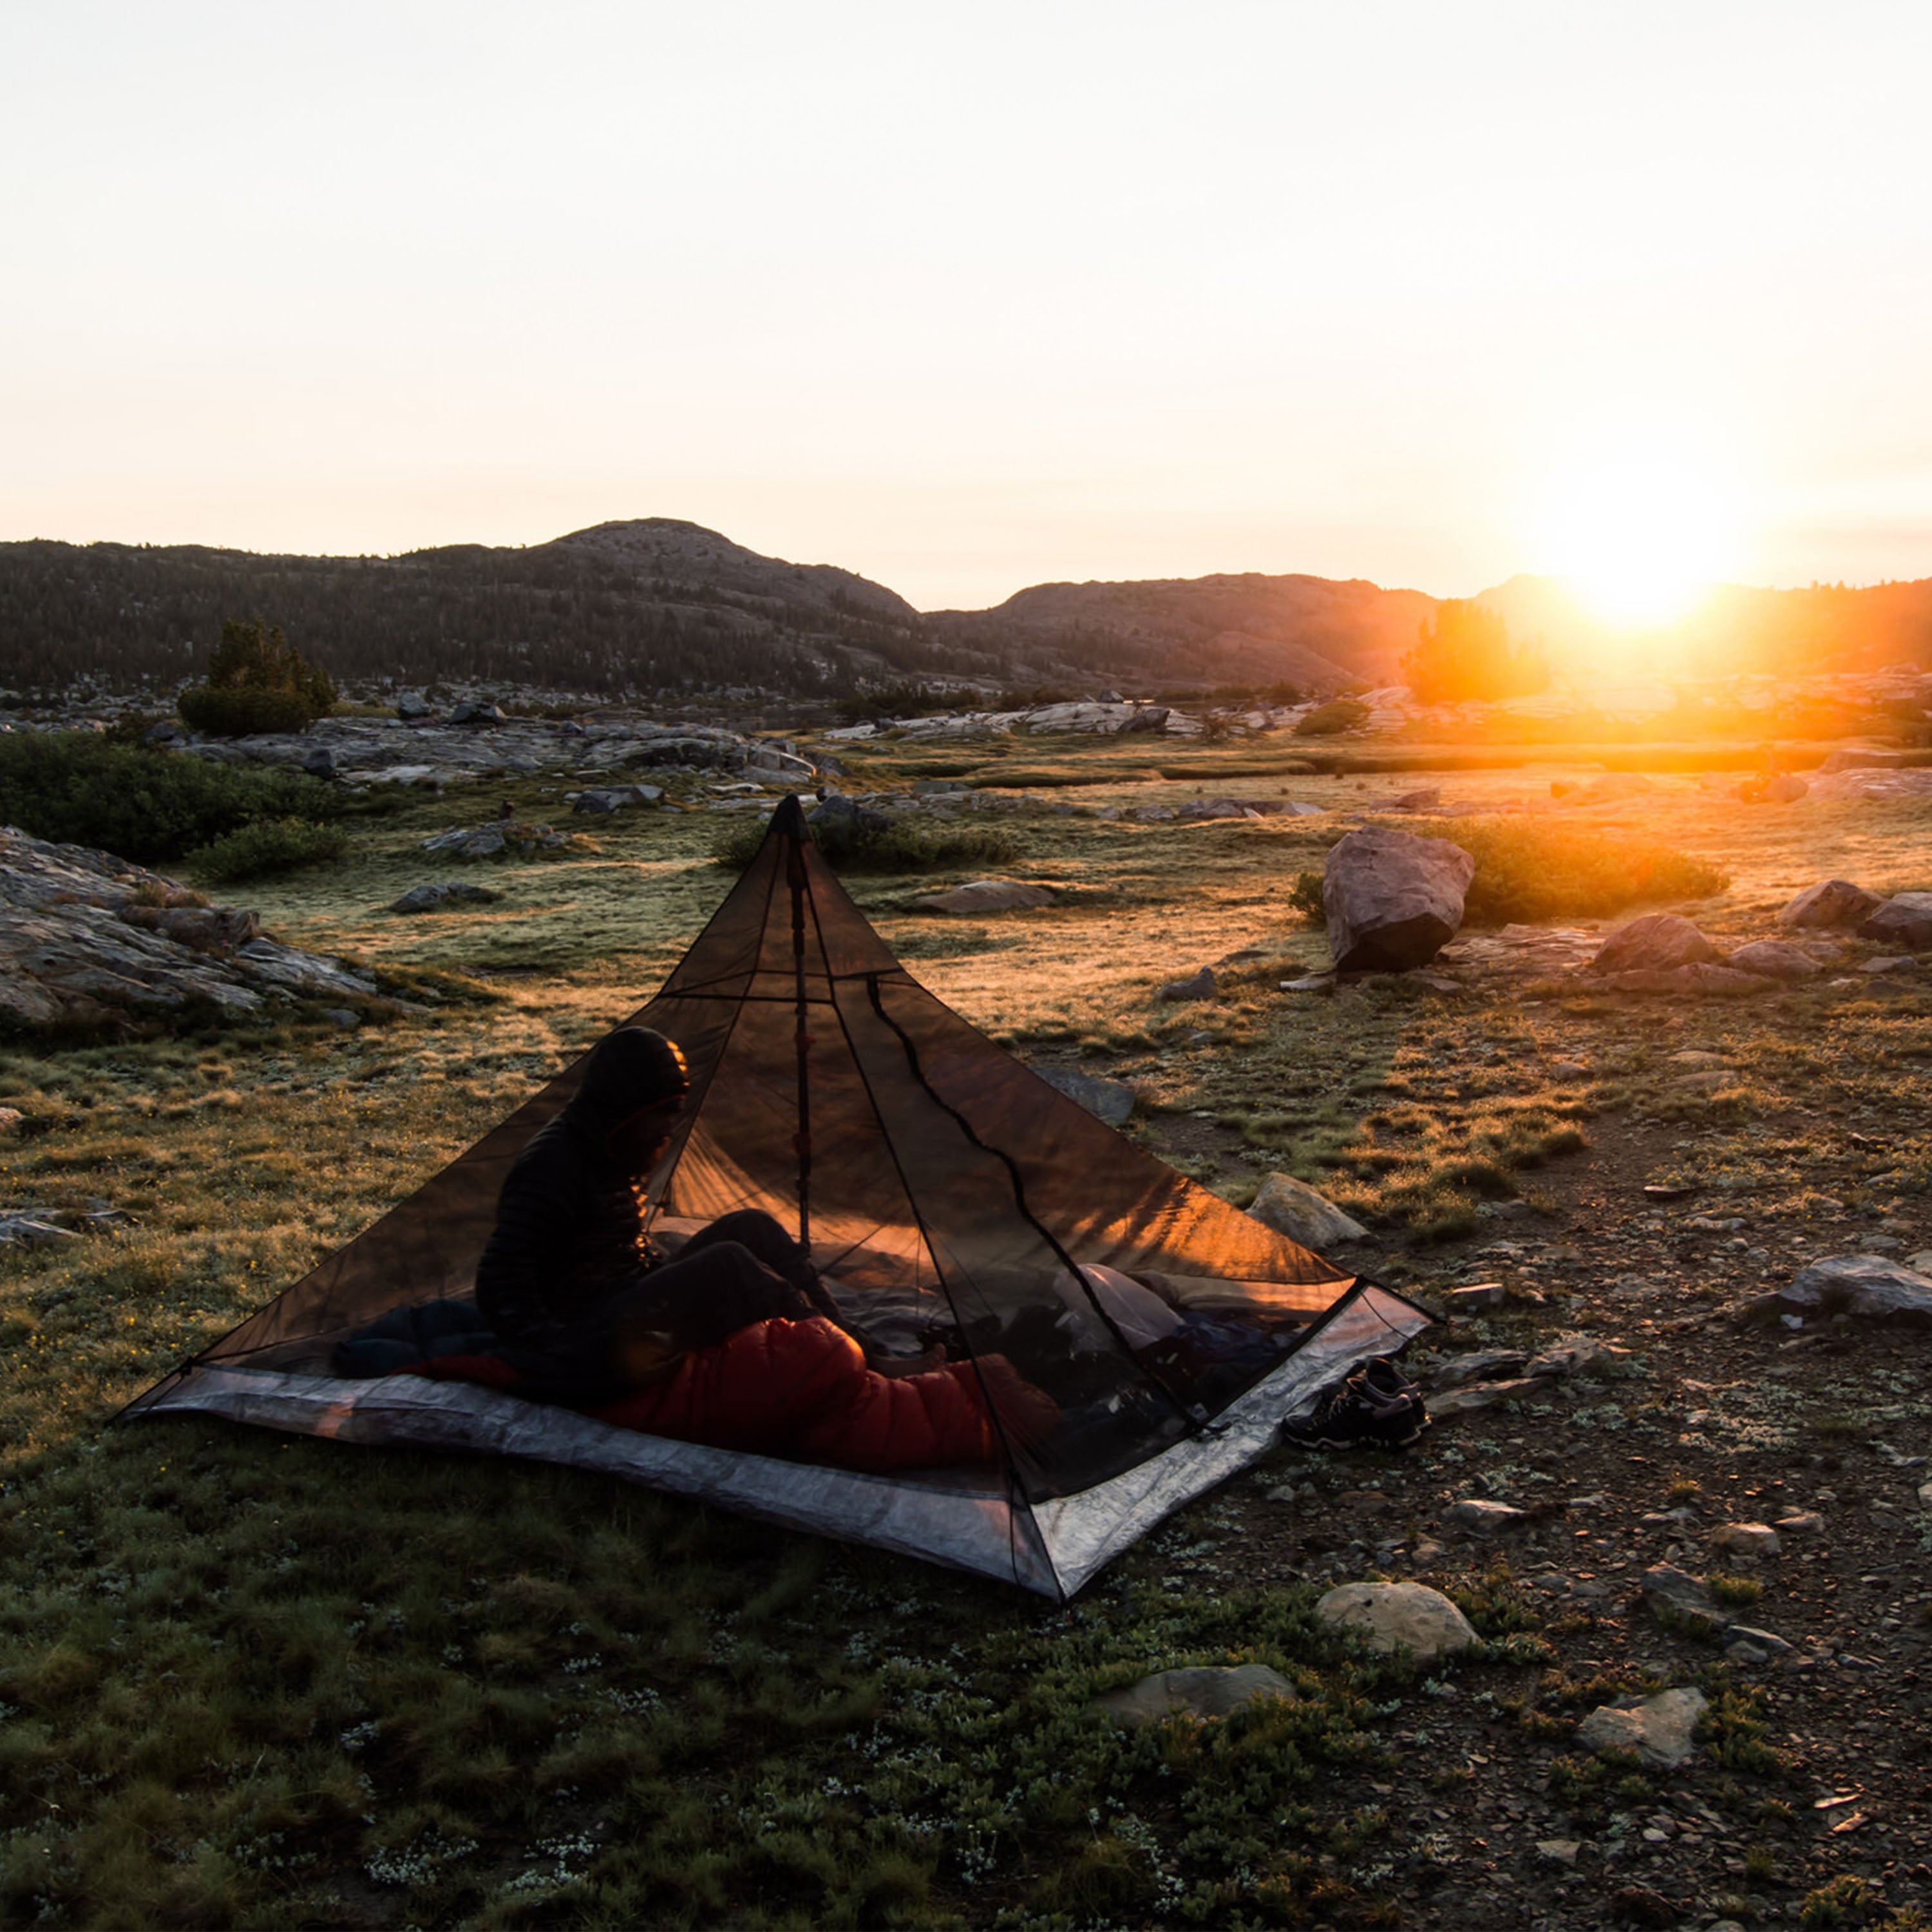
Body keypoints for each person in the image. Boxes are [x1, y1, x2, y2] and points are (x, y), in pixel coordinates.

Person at [475, 1027, 842, 1398]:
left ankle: (851, 1342)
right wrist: (557, 1355)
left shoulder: (617, 1144)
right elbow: (500, 1276)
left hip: (630, 1294)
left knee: (754, 1227)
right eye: (662, 1112)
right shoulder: (554, 1164)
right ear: (625, 1107)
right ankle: (834, 1358)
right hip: (590, 1330)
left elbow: (617, 1247)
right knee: (727, 1263)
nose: (670, 1126)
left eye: (675, 1110)